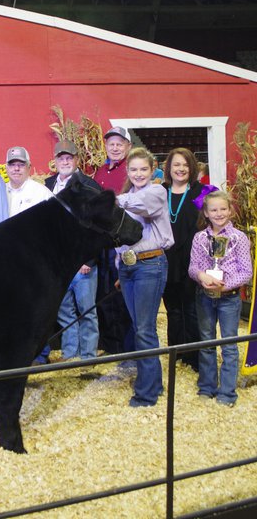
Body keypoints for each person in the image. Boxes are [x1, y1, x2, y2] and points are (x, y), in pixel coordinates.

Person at [116, 147, 174, 407]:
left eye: (143, 169)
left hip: (150, 264)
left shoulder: (156, 192)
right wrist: (121, 263)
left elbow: (142, 206)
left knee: (144, 328)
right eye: (133, 169)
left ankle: (147, 393)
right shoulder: (126, 196)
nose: (138, 174)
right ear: (127, 171)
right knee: (140, 326)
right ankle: (155, 383)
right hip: (128, 267)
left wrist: (111, 200)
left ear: (153, 171)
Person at [35, 141, 102, 363]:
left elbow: (95, 226)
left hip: (81, 261)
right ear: (55, 161)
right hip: (58, 263)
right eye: (61, 158)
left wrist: (88, 258)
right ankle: (70, 354)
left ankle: (88, 357)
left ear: (76, 160)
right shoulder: (47, 185)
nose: (65, 161)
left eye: (69, 158)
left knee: (87, 311)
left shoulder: (89, 186)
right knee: (64, 312)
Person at [189, 190, 253, 407]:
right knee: (206, 341)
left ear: (230, 210)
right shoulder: (200, 238)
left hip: (229, 298)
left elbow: (246, 272)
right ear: (206, 213)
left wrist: (226, 284)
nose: (219, 213)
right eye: (214, 210)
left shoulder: (239, 238)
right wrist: (202, 276)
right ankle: (207, 387)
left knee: (229, 344)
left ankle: (227, 392)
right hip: (205, 296)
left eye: (223, 209)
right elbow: (193, 267)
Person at [161, 148, 203, 371]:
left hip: (193, 260)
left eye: (185, 165)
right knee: (173, 310)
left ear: (192, 167)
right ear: (168, 168)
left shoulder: (201, 192)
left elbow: (214, 218)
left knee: (191, 310)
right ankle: (175, 352)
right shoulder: (160, 191)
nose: (180, 169)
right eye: (176, 164)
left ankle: (194, 356)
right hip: (167, 260)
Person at [94, 125, 134, 354]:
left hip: (122, 242)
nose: (115, 147)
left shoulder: (132, 170)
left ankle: (125, 345)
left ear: (128, 146)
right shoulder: (100, 172)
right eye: (111, 144)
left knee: (122, 291)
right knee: (104, 292)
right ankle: (109, 343)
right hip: (102, 240)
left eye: (120, 143)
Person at [4, 146, 52, 216]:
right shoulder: (0, 192)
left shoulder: (42, 193)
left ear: (29, 167)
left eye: (21, 165)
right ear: (6, 168)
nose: (16, 168)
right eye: (12, 165)